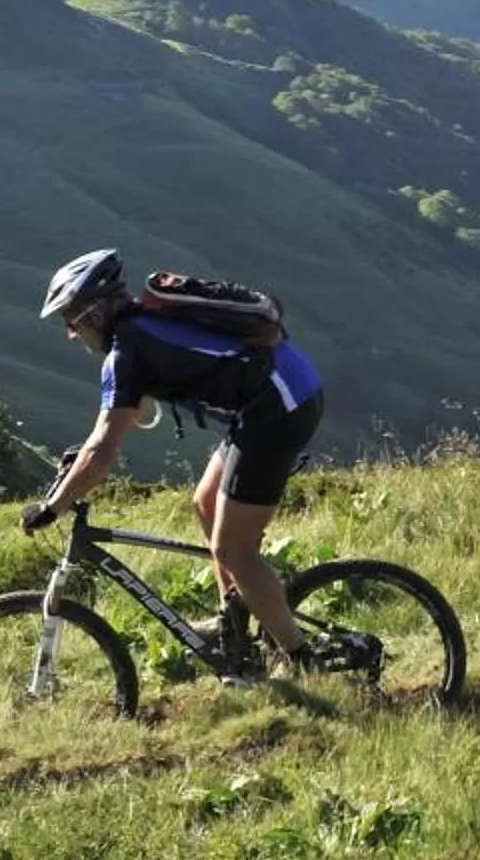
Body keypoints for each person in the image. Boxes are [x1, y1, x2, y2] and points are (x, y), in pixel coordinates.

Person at [23, 248, 337, 668]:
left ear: (95, 314)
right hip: (279, 391)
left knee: (234, 550)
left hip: (280, 404)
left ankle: (300, 659)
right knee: (205, 502)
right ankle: (236, 620)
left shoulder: (127, 352)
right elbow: (116, 423)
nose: (70, 333)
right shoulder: (139, 332)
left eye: (70, 320)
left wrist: (51, 507)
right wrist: (81, 460)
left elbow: (103, 450)